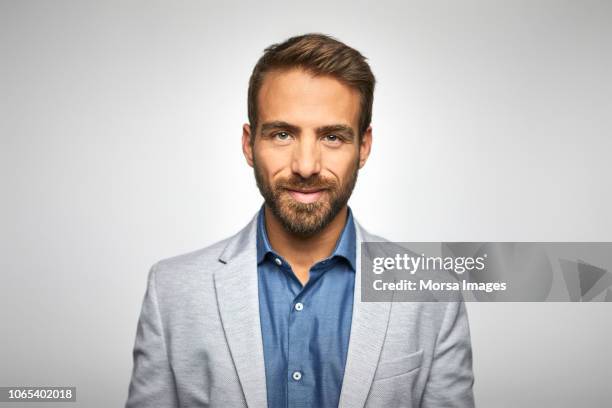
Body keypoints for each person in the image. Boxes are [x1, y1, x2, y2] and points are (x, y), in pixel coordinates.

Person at [126, 33, 475, 408]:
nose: (306, 166)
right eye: (282, 134)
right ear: (248, 144)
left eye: (332, 137)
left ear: (364, 147)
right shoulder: (172, 291)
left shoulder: (434, 296)